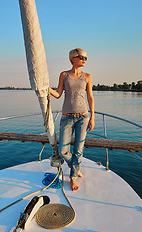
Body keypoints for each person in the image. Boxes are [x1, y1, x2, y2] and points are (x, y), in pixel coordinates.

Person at [49, 48, 95, 191]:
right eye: (81, 57)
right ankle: (76, 166)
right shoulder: (64, 75)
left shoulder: (87, 76)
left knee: (78, 150)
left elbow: (90, 97)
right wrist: (45, 88)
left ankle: (73, 178)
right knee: (63, 151)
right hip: (67, 117)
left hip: (83, 117)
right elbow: (58, 94)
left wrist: (93, 117)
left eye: (85, 58)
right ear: (72, 59)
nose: (84, 60)